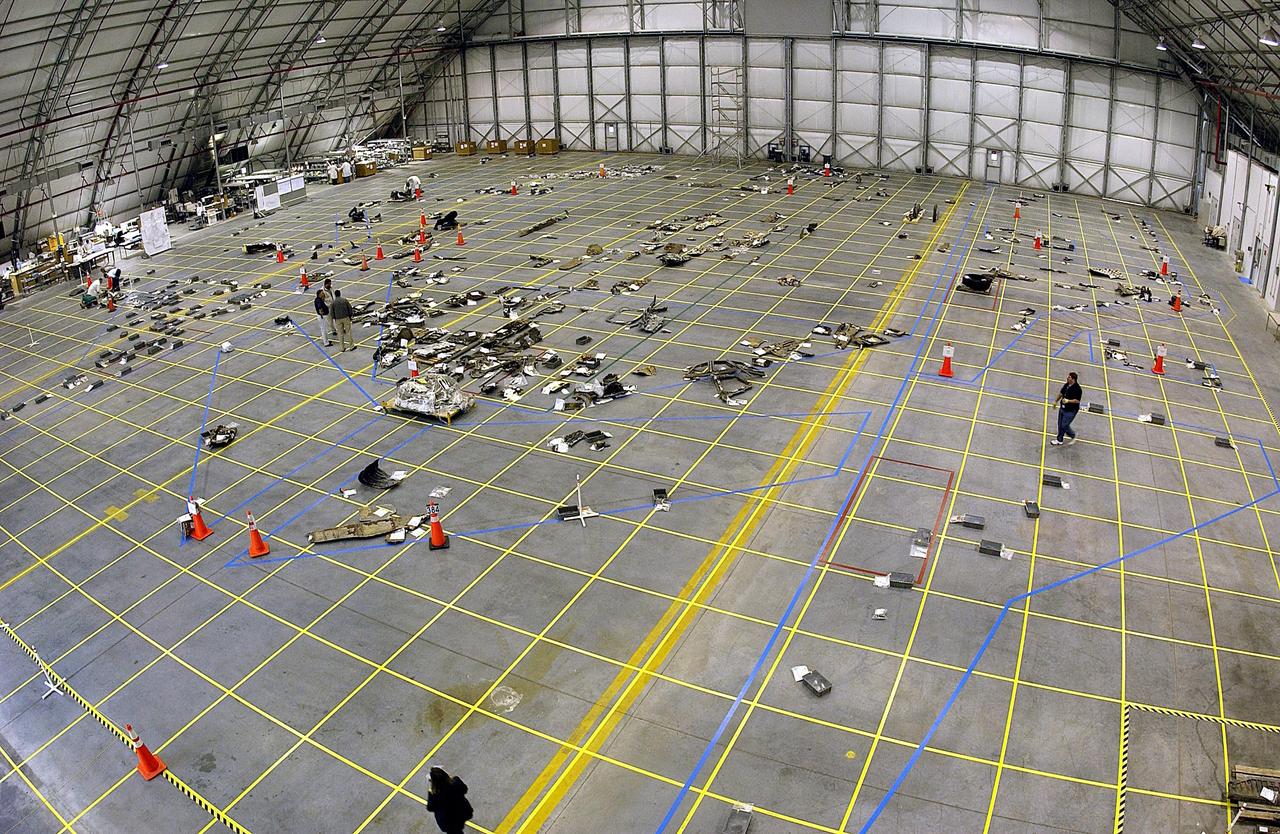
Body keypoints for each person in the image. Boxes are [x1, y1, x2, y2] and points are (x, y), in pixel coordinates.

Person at [425, 767, 472, 834]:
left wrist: (430, 792)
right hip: (462, 812)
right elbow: (465, 789)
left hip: (449, 822)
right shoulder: (456, 782)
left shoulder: (434, 796)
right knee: (459, 827)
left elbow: (430, 808)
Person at [1051, 371, 1082, 446]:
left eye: (1069, 377)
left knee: (1064, 425)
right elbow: (1061, 393)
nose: (1067, 378)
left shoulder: (1077, 389)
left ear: (1073, 379)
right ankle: (1061, 439)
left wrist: (1068, 401)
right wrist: (1055, 401)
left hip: (1071, 410)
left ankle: (1070, 436)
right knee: (1060, 424)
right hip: (1063, 408)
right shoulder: (1066, 385)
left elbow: (1077, 400)